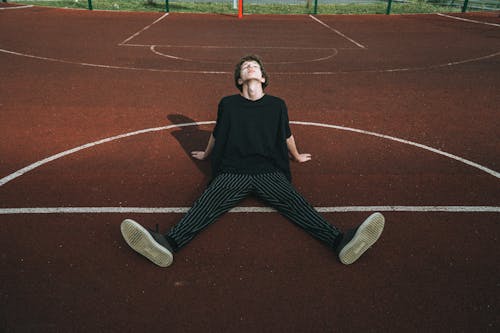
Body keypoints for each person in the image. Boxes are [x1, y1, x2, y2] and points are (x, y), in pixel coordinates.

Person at [120, 55, 385, 268]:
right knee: (204, 207)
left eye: (255, 66)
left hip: (267, 171)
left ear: (263, 77)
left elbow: (286, 134)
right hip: (233, 172)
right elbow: (218, 132)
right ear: (239, 78)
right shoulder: (228, 103)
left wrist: (296, 155)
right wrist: (206, 153)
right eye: (246, 66)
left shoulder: (277, 104)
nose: (250, 67)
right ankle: (167, 244)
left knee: (298, 206)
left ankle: (341, 242)